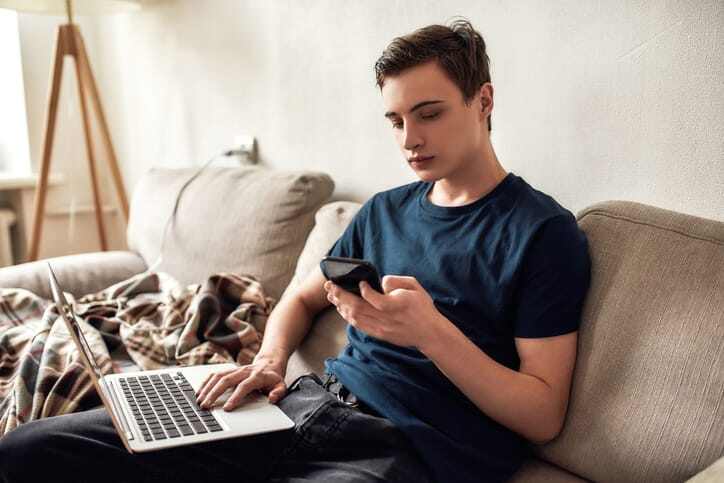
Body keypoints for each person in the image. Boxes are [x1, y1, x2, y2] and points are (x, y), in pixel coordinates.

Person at [0, 18, 590, 483]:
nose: (409, 140)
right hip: (301, 406)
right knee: (29, 450)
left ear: (483, 100)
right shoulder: (385, 210)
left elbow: (542, 414)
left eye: (429, 114)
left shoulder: (543, 234)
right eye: (395, 120)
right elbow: (303, 298)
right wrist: (269, 363)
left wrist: (429, 333)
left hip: (409, 449)